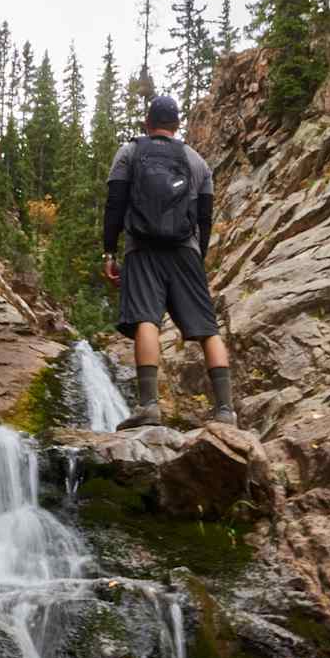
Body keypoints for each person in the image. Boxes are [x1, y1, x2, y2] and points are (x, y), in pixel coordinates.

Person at [102, 94, 237, 430]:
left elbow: (115, 204)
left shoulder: (130, 152)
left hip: (141, 248)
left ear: (148, 122)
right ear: (177, 125)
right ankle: (225, 411)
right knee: (207, 328)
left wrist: (109, 251)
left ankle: (148, 406)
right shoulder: (197, 162)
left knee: (146, 318)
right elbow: (205, 217)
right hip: (185, 250)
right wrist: (197, 255)